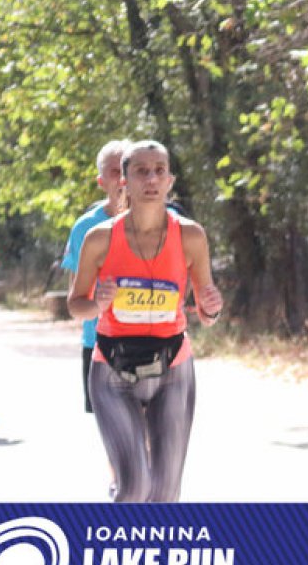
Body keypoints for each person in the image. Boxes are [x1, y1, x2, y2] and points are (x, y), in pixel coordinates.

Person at [68, 140, 223, 502]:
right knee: (135, 486)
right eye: (141, 171)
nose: (151, 179)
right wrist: (97, 304)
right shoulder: (99, 238)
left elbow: (207, 311)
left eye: (159, 171)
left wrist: (212, 307)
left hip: (173, 366)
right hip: (113, 369)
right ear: (124, 181)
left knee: (166, 492)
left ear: (170, 181)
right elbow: (75, 305)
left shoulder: (191, 235)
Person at [62, 140, 129, 413]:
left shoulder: (168, 222)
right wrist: (99, 305)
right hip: (100, 344)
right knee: (112, 433)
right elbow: (75, 302)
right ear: (101, 182)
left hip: (155, 342)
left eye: (129, 168)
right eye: (115, 171)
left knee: (150, 430)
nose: (123, 178)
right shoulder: (86, 228)